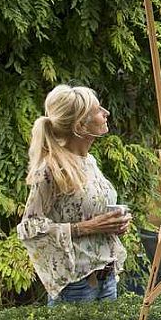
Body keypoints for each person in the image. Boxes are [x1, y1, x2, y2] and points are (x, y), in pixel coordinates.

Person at [18, 84, 131, 305]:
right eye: (98, 110)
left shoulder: (90, 162)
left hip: (107, 277)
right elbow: (29, 227)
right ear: (80, 125)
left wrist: (115, 225)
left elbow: (91, 216)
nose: (106, 113)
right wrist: (87, 228)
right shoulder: (51, 169)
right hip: (77, 285)